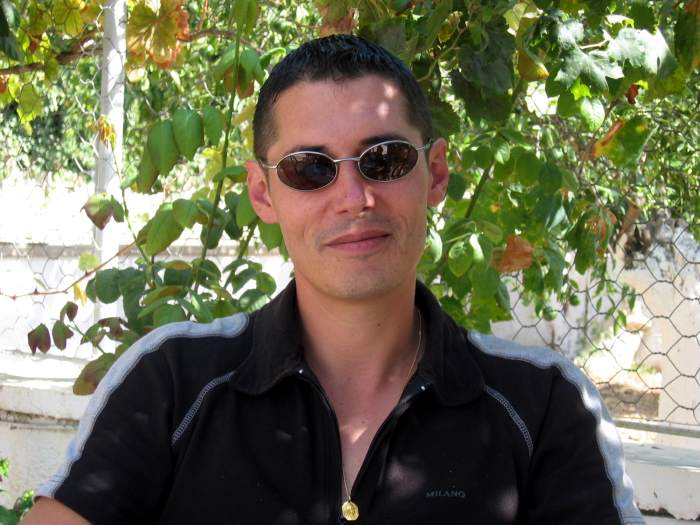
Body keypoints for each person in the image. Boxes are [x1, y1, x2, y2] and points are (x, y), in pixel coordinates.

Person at [22, 35, 645, 525]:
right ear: (262, 193)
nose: (353, 197)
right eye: (309, 168)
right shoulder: (171, 384)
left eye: (385, 160)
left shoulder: (544, 407)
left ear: (435, 174)